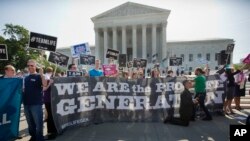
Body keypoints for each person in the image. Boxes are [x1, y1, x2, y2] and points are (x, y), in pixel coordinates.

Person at [23, 59, 47, 141]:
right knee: (30, 124)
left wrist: (42, 75)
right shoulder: (25, 77)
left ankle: (40, 138)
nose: (30, 67)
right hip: (26, 104)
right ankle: (33, 137)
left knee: (38, 123)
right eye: (28, 65)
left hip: (36, 104)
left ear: (35, 66)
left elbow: (44, 84)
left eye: (32, 65)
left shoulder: (39, 76)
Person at [43, 67, 57, 140]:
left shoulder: (52, 77)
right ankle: (50, 132)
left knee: (51, 116)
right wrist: (50, 83)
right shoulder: (45, 77)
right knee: (50, 116)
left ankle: (53, 131)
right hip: (48, 99)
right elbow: (44, 89)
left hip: (51, 99)